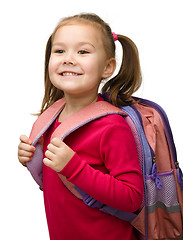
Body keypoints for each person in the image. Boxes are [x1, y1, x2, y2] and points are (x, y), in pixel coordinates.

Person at [18, 13, 144, 240]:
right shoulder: (51, 117)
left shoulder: (111, 125)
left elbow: (132, 197)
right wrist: (31, 157)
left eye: (83, 51)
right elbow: (58, 184)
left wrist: (74, 167)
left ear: (108, 67)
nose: (68, 58)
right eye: (59, 51)